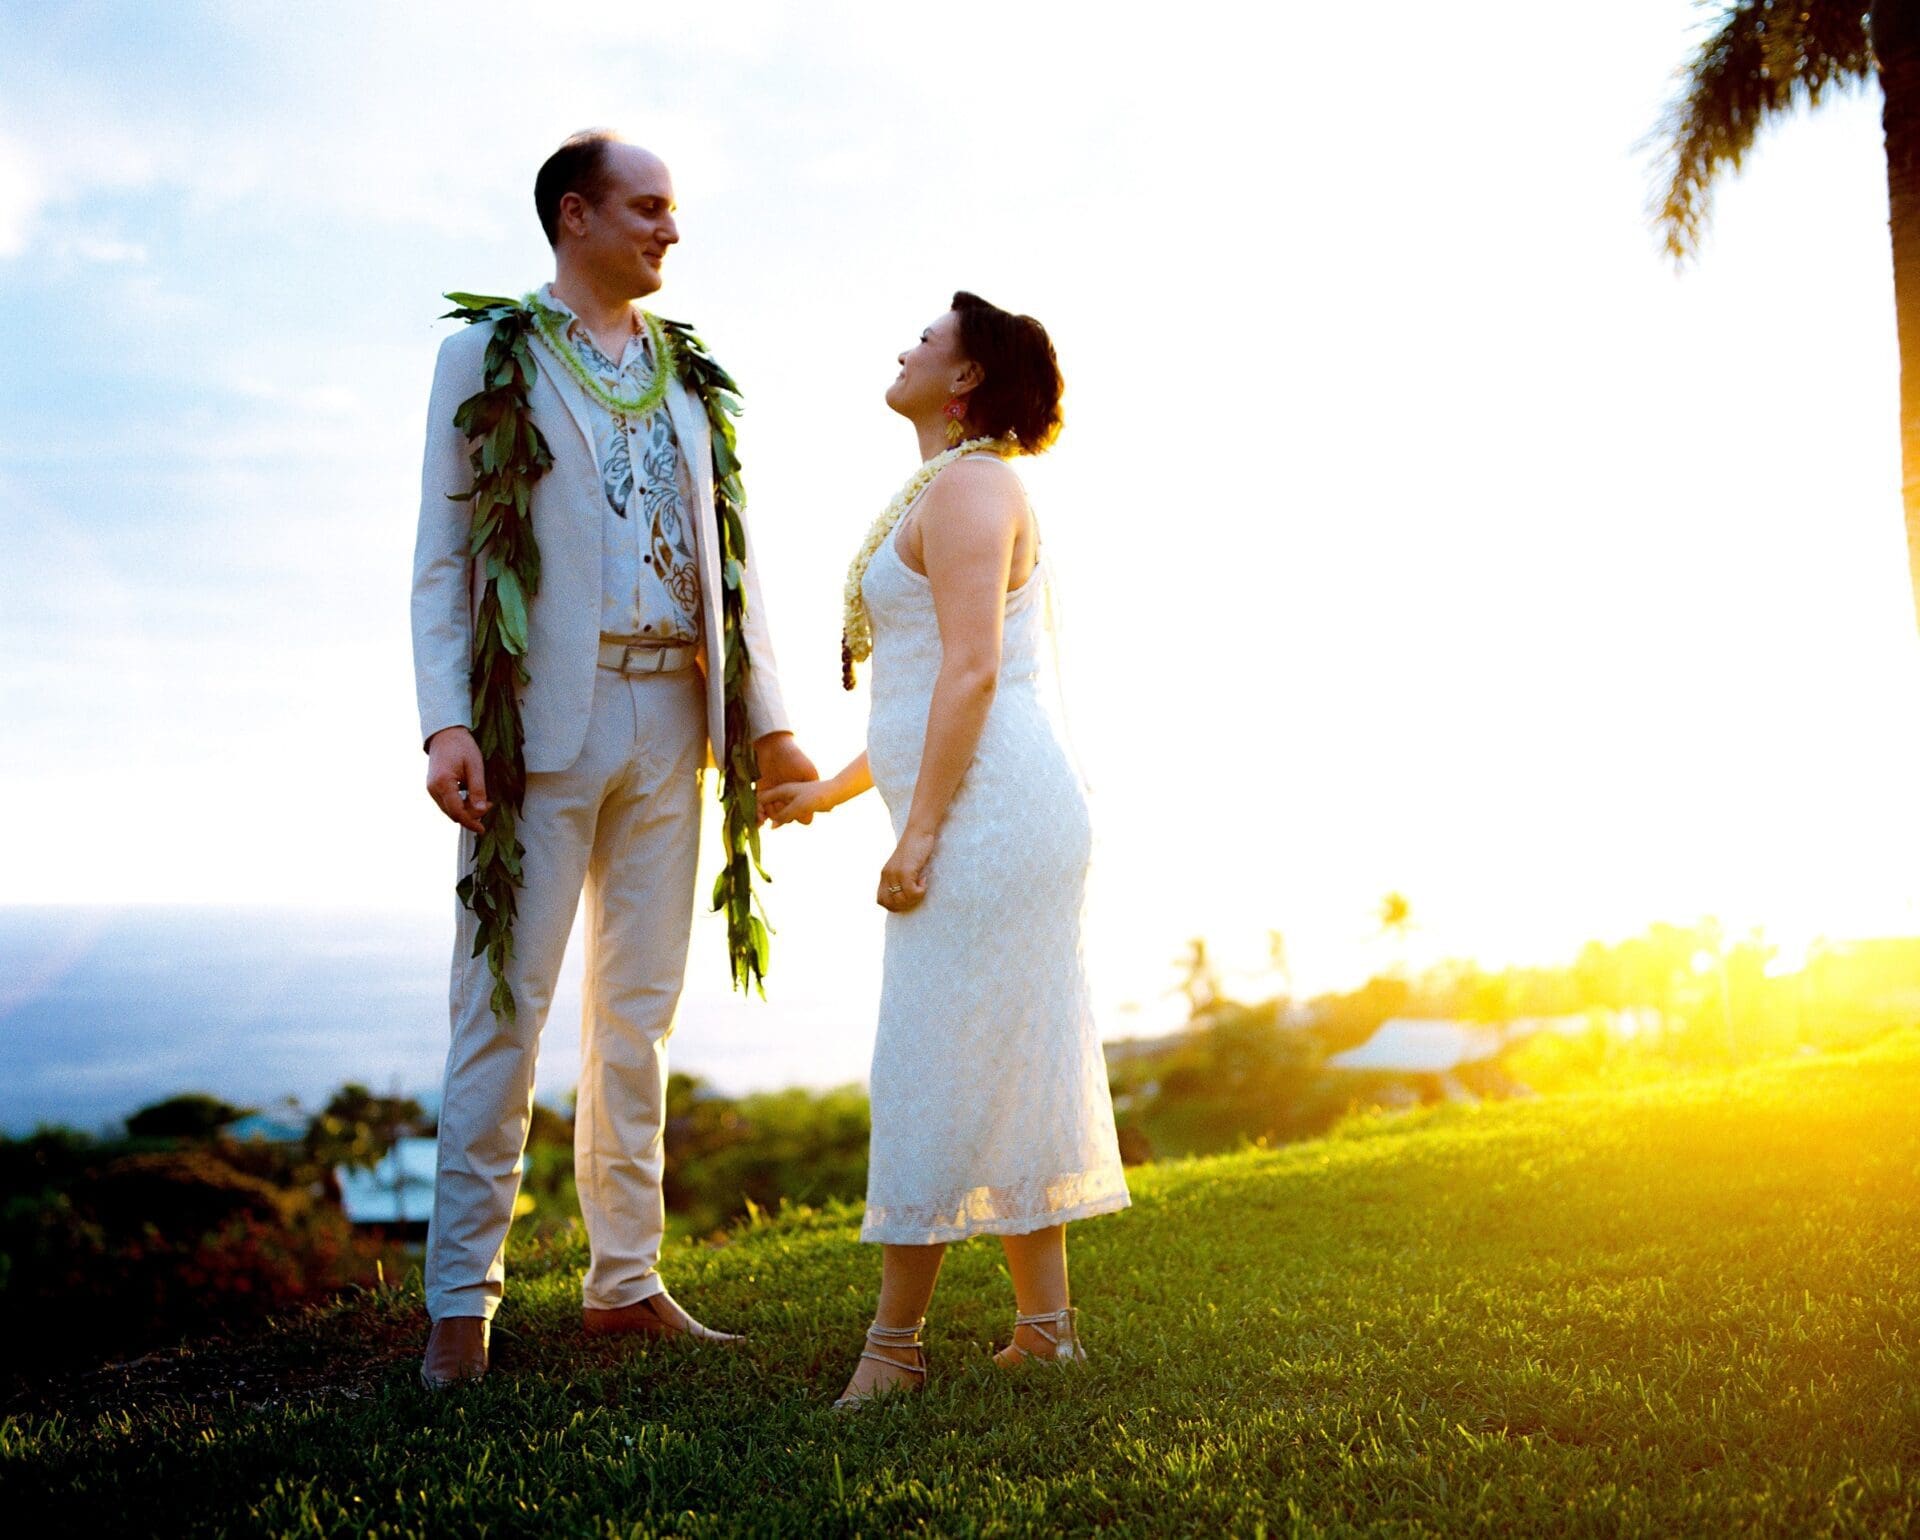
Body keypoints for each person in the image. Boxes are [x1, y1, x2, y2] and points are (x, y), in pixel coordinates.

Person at [410, 130, 816, 1388]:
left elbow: (729, 564)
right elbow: (444, 550)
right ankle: (457, 1308)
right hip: (537, 726)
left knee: (635, 1016)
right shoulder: (487, 352)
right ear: (574, 214)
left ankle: (624, 1283)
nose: (672, 231)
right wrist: (446, 721)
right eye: (649, 209)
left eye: (674, 210)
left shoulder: (690, 378)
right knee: (504, 1013)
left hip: (674, 725)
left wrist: (767, 718)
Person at [761, 292, 1130, 1407]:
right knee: (1006, 1060)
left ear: (965, 380)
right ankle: (1047, 1331)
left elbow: (973, 674)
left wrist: (917, 835)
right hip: (978, 801)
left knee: (928, 1062)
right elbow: (929, 685)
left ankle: (894, 1350)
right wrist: (830, 791)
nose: (905, 347)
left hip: (992, 814)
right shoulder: (942, 486)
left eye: (927, 340)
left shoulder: (973, 486)